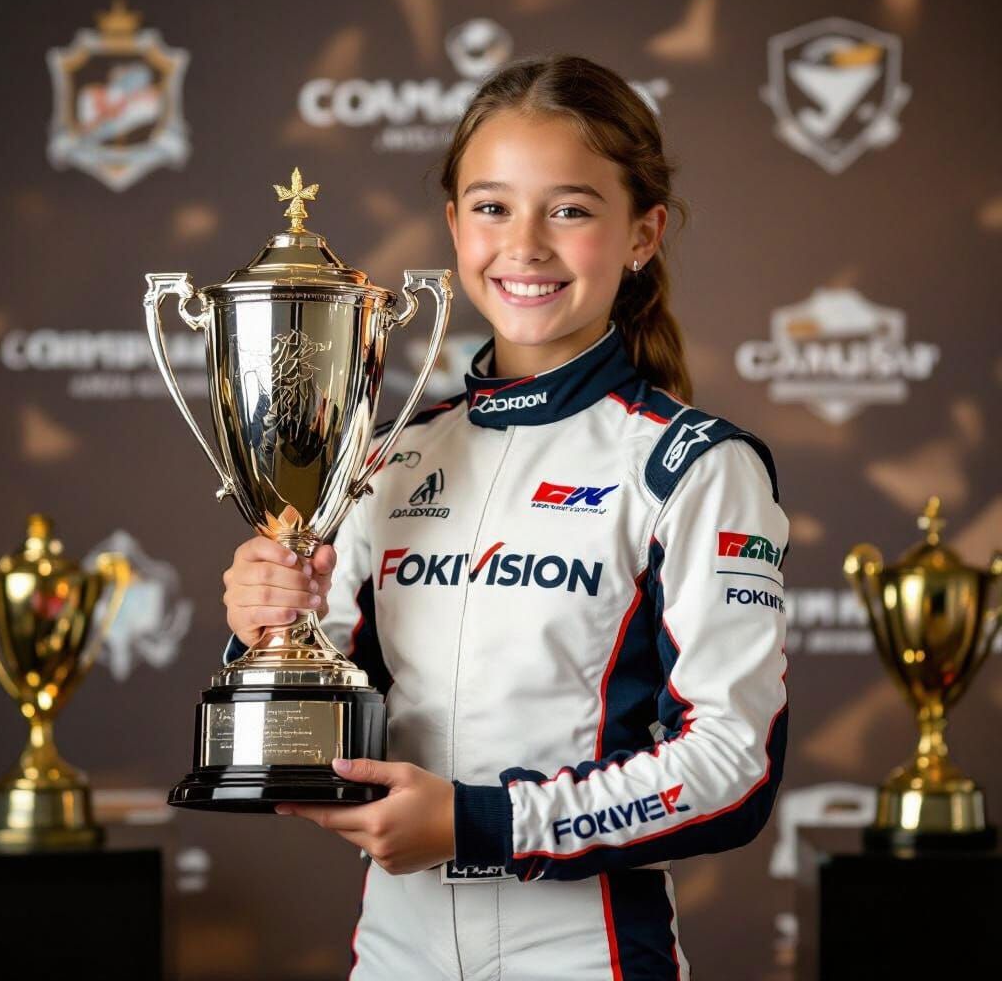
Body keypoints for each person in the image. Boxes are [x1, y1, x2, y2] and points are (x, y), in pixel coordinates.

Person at [221, 54, 789, 981]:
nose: (523, 245)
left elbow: (733, 766)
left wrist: (477, 823)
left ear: (643, 234)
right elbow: (324, 715)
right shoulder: (390, 456)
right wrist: (267, 627)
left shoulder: (694, 464)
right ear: (453, 225)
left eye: (569, 209)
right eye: (491, 207)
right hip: (394, 953)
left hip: (584, 953)